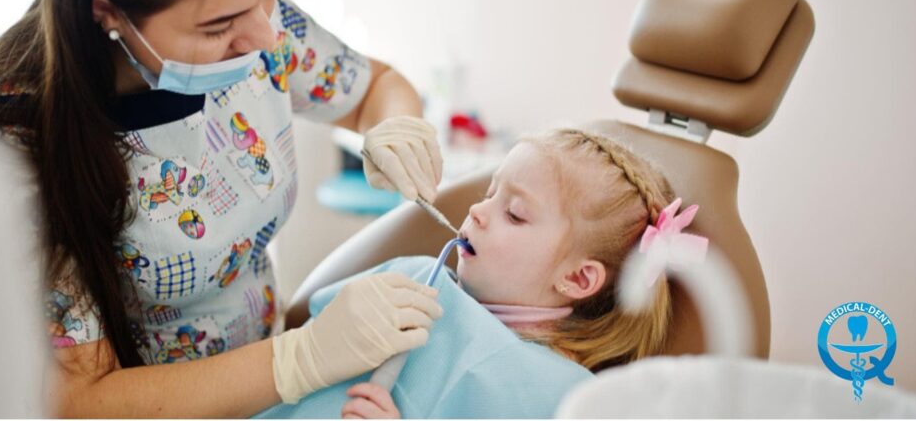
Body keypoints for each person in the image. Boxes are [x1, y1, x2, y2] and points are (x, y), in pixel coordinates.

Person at [0, 0, 445, 417]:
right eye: (217, 27)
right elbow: (79, 399)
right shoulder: (11, 144)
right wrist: (301, 359)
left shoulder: (253, 21)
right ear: (108, 9)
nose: (265, 39)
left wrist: (398, 125)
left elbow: (375, 87)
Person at [256, 129, 707, 418]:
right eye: (489, 193)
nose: (477, 211)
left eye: (514, 213)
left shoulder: (561, 397)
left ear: (577, 279)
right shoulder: (414, 278)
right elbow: (307, 332)